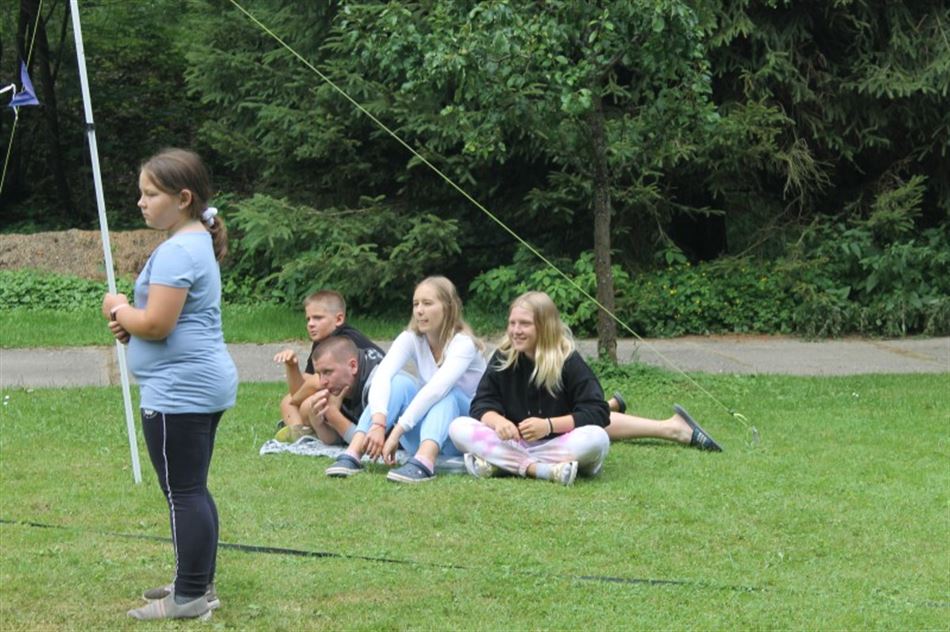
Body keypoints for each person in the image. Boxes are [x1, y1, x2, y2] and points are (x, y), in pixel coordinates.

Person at [101, 148, 237, 621]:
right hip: (197, 385)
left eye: (150, 194)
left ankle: (190, 596)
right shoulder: (193, 241)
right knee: (192, 488)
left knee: (184, 492)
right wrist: (131, 323)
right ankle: (196, 582)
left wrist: (119, 309)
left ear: (183, 198)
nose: (141, 202)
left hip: (179, 392)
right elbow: (161, 321)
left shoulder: (179, 250)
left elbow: (158, 324)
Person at [325, 276, 487, 483]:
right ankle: (353, 453)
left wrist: (395, 433)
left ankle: (425, 462)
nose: (419, 310)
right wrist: (379, 423)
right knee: (399, 382)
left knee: (449, 394)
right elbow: (382, 375)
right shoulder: (411, 338)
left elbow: (436, 390)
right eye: (416, 304)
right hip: (427, 430)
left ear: (448, 307)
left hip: (462, 435)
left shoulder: (463, 344)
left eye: (427, 303)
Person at [449, 291, 611, 486]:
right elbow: (481, 403)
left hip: (558, 442)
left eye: (525, 324)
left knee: (598, 438)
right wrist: (499, 422)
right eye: (512, 323)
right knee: (458, 427)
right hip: (515, 443)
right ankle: (541, 469)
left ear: (545, 327)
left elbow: (597, 411)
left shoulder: (568, 360)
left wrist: (548, 426)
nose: (516, 330)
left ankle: (503, 464)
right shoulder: (504, 356)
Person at [273, 290, 383, 442]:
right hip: (344, 394)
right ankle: (300, 432)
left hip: (367, 401)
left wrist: (297, 399)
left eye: (317, 318)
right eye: (308, 319)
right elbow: (303, 386)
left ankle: (306, 429)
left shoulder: (345, 340)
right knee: (288, 402)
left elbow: (311, 386)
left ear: (339, 319)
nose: (310, 324)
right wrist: (292, 366)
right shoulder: (322, 342)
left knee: (306, 405)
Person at [300, 335, 382, 445]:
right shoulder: (344, 384)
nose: (322, 382)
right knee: (308, 406)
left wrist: (333, 415)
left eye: (328, 372)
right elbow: (338, 438)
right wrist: (318, 425)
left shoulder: (377, 384)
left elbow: (371, 444)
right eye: (319, 374)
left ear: (353, 366)